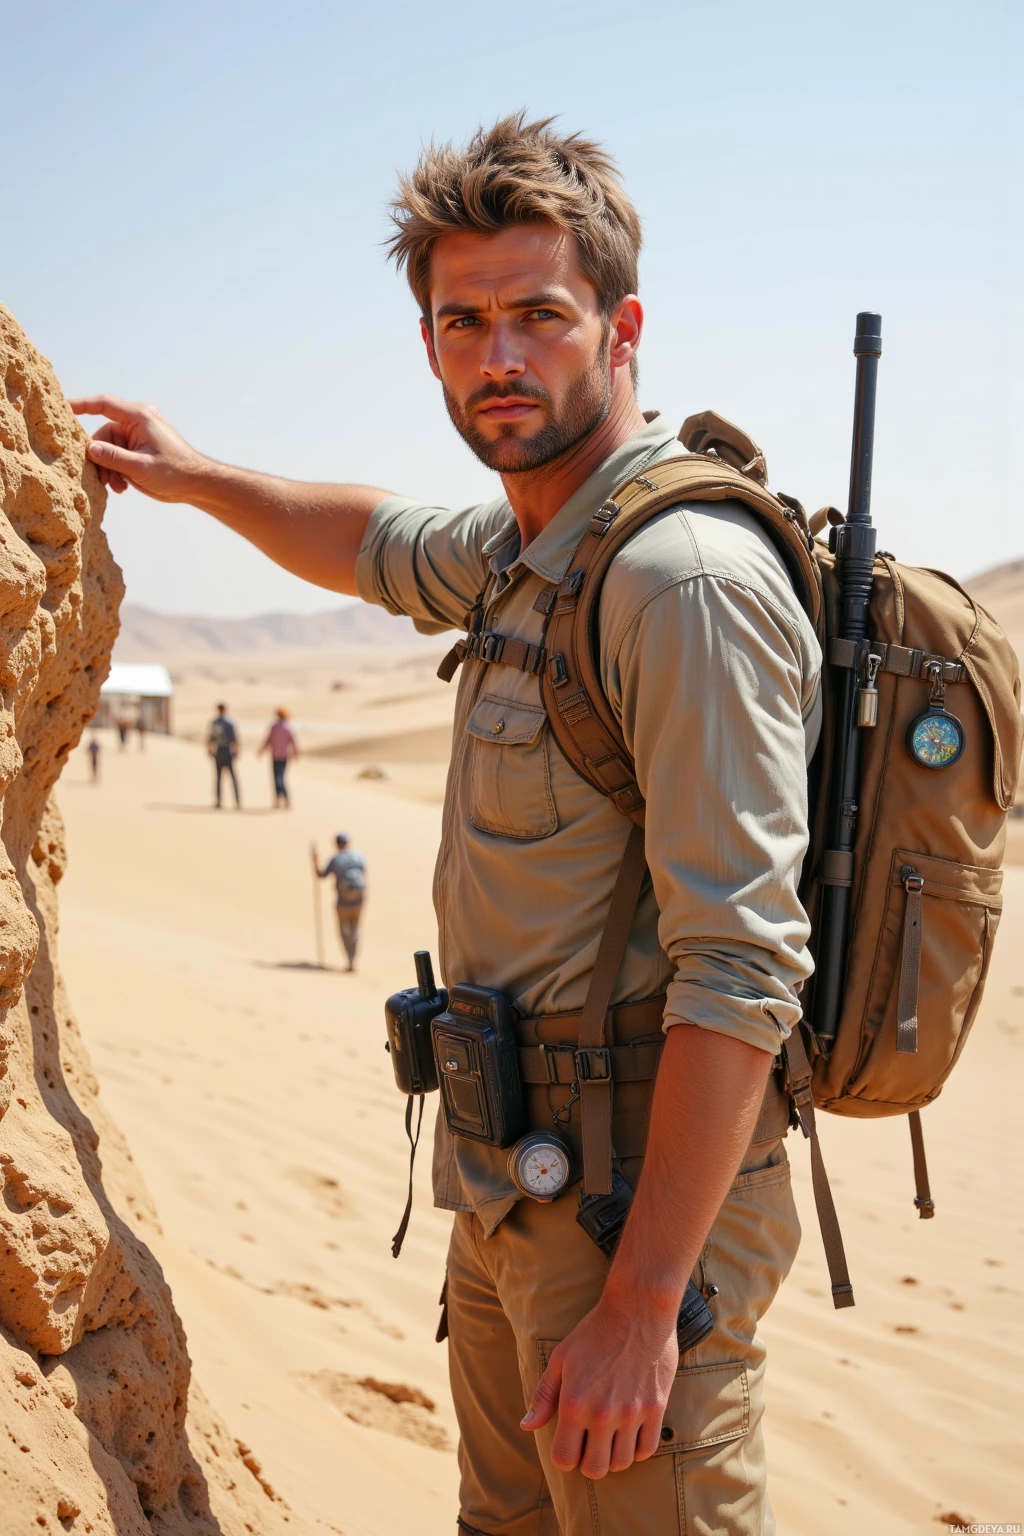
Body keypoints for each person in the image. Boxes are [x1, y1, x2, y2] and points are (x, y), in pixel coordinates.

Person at [72, 115, 819, 1536]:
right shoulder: (532, 546)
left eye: (540, 315)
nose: (500, 356)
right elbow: (365, 539)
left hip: (633, 1220)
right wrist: (196, 474)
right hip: (510, 1190)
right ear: (427, 345)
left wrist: (648, 1304)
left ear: (621, 325)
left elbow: (743, 968)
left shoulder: (677, 580)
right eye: (462, 321)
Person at [314, 834, 366, 970]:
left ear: (337, 844)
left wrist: (315, 861)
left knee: (344, 930)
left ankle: (349, 958)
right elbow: (364, 877)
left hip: (342, 902)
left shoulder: (336, 859)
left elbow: (320, 875)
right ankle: (353, 959)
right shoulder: (359, 857)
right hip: (358, 901)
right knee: (355, 929)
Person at [260, 708, 298, 807]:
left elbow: (268, 740)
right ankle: (283, 799)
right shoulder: (287, 727)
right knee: (280, 777)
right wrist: (296, 754)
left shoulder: (275, 727)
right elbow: (294, 742)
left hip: (276, 756)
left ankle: (280, 799)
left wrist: (262, 750)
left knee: (278, 778)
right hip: (283, 756)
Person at [207, 702, 241, 809]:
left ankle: (223, 801)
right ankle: (235, 801)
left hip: (221, 751)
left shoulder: (216, 723)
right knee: (228, 778)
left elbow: (211, 738)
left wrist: (210, 750)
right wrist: (236, 751)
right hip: (225, 751)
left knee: (221, 778)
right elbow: (234, 739)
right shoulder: (228, 722)